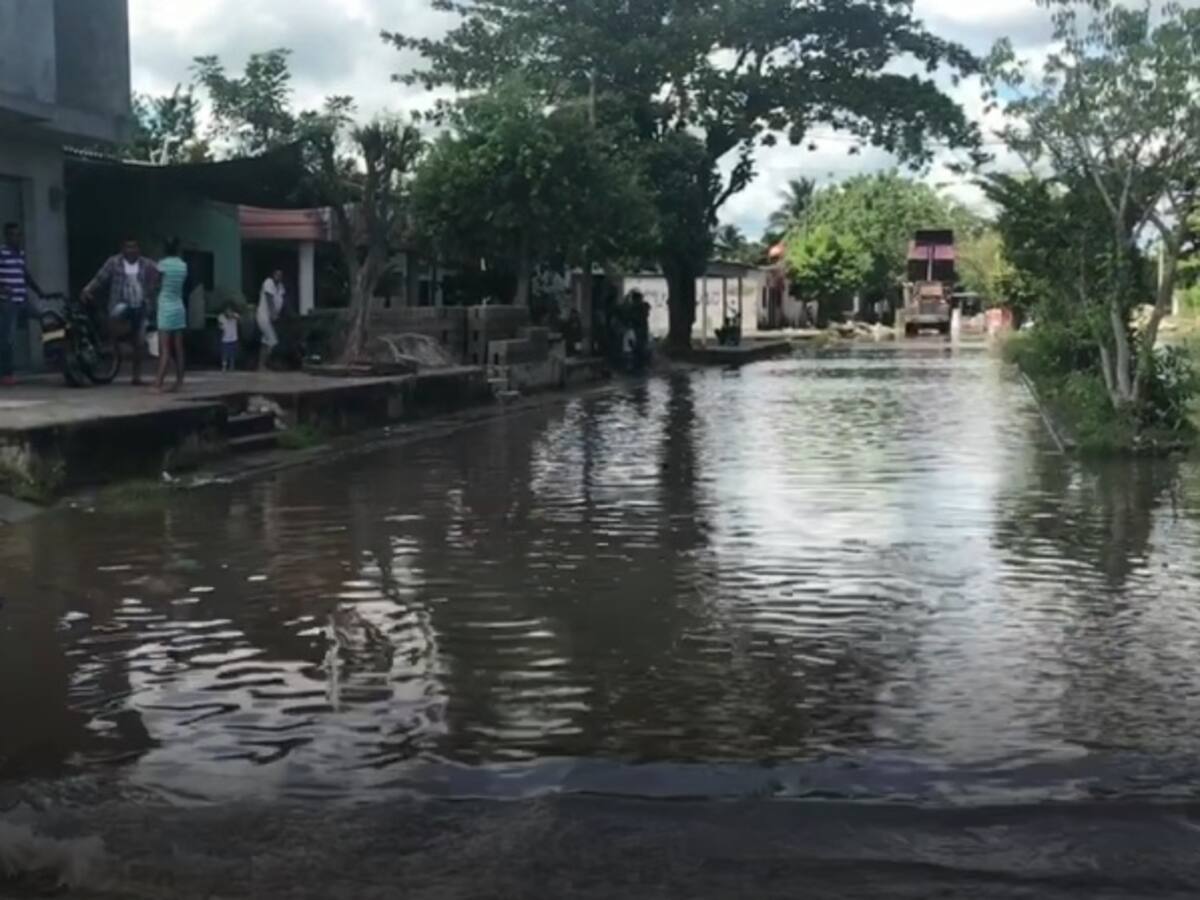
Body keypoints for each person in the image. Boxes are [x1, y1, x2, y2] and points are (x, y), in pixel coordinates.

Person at [83, 238, 159, 385]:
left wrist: (153, 288)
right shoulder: (114, 262)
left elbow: (160, 273)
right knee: (114, 328)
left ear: (139, 249)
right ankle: (114, 349)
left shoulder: (146, 264)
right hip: (120, 304)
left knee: (139, 342)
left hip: (140, 306)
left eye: (134, 247)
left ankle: (136, 376)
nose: (131, 250)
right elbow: (100, 278)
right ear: (122, 249)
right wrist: (88, 289)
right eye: (128, 247)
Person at [0, 223, 46, 386]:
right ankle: (6, 374)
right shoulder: (2, 253)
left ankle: (55, 355)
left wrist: (39, 291)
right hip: (8, 303)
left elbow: (25, 274)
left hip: (23, 300)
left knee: (46, 318)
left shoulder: (20, 253)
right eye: (12, 235)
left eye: (18, 235)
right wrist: (2, 288)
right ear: (6, 237)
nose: (16, 238)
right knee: (7, 338)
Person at [154, 238, 188, 392]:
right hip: (179, 306)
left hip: (165, 307)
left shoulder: (162, 264)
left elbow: (156, 284)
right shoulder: (183, 265)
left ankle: (158, 383)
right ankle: (179, 381)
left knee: (165, 348)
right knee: (179, 348)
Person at [257, 269, 285, 370]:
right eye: (277, 274)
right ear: (273, 275)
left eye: (280, 275)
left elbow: (281, 300)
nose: (278, 276)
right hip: (263, 316)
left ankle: (261, 365)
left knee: (265, 341)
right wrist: (273, 313)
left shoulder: (281, 286)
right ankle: (267, 364)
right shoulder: (268, 282)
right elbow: (269, 299)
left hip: (271, 319)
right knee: (273, 341)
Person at [218, 304, 240, 372]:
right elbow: (220, 325)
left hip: (233, 338)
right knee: (225, 354)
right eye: (227, 310)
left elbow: (238, 318)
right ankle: (224, 367)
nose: (228, 312)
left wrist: (232, 316)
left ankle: (232, 367)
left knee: (232, 354)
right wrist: (221, 327)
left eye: (229, 310)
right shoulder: (221, 316)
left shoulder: (235, 315)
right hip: (225, 339)